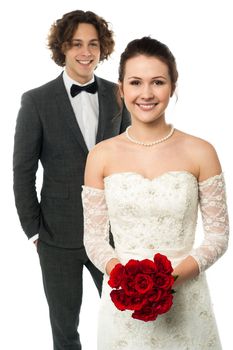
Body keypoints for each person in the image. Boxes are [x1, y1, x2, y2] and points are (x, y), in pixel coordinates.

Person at [81, 36, 229, 349]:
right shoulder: (100, 155)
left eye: (158, 82)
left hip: (187, 301)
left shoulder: (201, 151)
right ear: (121, 88)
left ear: (173, 86)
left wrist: (169, 279)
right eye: (135, 82)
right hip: (123, 303)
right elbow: (93, 238)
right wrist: (124, 278)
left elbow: (218, 236)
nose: (146, 94)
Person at [13, 10, 130, 350]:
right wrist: (34, 230)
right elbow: (23, 170)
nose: (86, 52)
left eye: (93, 44)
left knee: (126, 322)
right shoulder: (36, 101)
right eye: (76, 44)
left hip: (111, 234)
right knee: (65, 330)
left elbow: (129, 159)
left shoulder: (118, 95)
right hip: (56, 236)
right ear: (62, 49)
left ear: (102, 48)